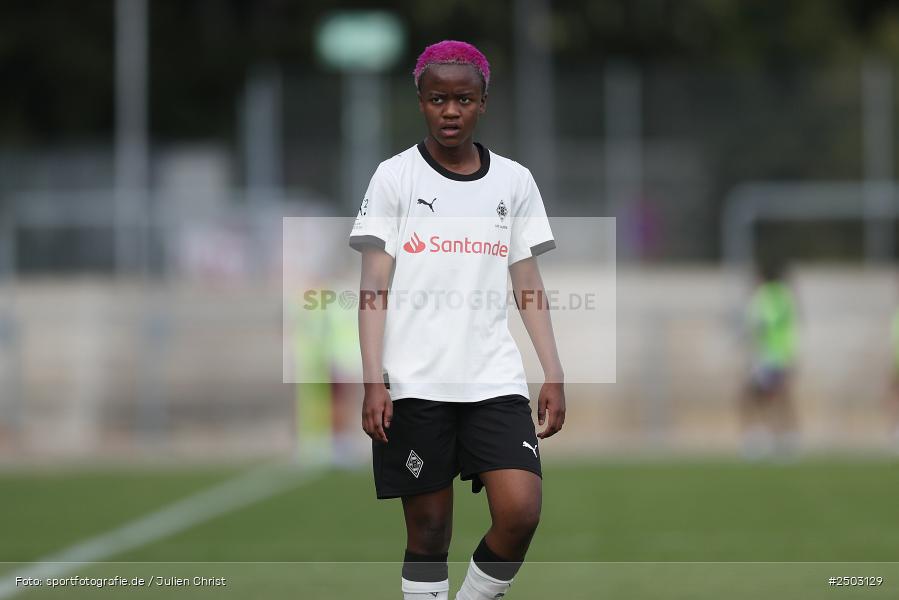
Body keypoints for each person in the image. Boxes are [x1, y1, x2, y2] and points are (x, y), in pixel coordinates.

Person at [349, 40, 566, 600]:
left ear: (483, 103)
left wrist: (553, 370)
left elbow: (528, 285)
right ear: (420, 102)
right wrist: (373, 380)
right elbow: (373, 289)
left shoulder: (514, 182)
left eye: (464, 99)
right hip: (416, 384)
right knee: (429, 531)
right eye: (438, 99)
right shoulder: (394, 178)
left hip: (493, 379)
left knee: (520, 511)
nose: (450, 110)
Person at [740, 259, 798, 458]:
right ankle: (785, 437)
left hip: (767, 355)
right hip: (782, 354)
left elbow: (760, 326)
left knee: (754, 397)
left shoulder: (762, 297)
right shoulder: (784, 296)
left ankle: (760, 437)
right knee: (778, 396)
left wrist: (752, 351)